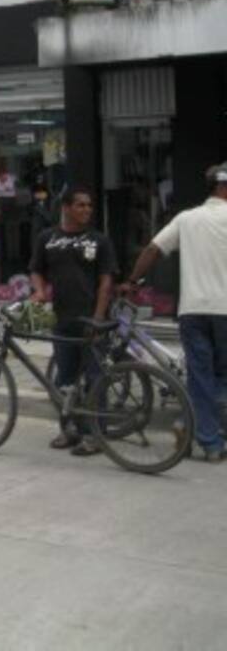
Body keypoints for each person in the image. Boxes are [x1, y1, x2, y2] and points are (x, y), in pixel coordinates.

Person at [123, 163, 227, 462]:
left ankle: (203, 435)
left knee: (201, 375)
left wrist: (132, 283)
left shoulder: (186, 218)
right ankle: (206, 435)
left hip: (193, 310)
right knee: (220, 376)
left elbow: (152, 250)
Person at [29, 186, 116, 458]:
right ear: (65, 208)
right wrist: (40, 290)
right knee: (65, 378)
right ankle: (69, 430)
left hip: (92, 319)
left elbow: (106, 280)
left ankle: (95, 435)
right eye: (80, 205)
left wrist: (99, 316)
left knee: (94, 378)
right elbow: (35, 270)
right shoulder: (47, 238)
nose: (86, 210)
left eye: (89, 205)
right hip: (62, 318)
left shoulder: (99, 240)